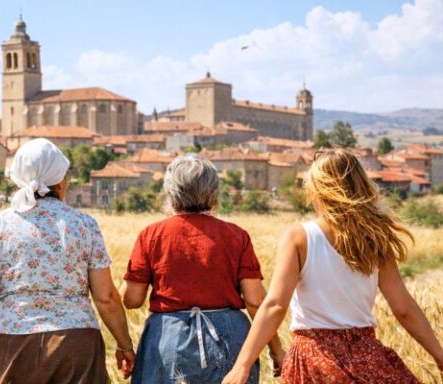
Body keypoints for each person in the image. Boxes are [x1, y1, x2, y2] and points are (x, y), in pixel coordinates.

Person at [223, 148, 443, 384]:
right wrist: (439, 356)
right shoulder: (376, 239)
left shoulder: (299, 237)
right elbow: (404, 308)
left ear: (317, 190)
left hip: (314, 359)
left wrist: (242, 365)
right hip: (366, 356)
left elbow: (276, 306)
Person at [0, 138, 135, 384]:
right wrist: (124, 344)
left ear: (18, 178)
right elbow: (106, 296)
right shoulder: (85, 225)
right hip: (75, 343)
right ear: (61, 181)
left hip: (11, 343)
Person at [121, 154, 284, 384]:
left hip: (169, 340)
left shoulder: (151, 235)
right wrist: (276, 350)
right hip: (230, 340)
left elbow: (132, 300)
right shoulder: (237, 236)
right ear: (214, 192)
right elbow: (255, 302)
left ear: (170, 192)